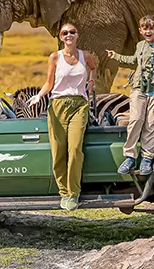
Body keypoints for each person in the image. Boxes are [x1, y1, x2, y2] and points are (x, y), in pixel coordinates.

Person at [27, 23, 98, 211]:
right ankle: (63, 192)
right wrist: (39, 96)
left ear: (77, 35)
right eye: (65, 33)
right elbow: (49, 83)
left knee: (75, 149)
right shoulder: (55, 57)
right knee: (59, 151)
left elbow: (93, 68)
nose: (69, 35)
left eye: (72, 32)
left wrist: (91, 82)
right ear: (60, 37)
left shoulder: (85, 55)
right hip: (57, 105)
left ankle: (73, 193)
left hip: (79, 105)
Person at [107, 14, 154, 176]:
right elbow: (133, 60)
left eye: (151, 28)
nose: (148, 31)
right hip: (139, 88)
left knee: (152, 123)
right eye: (145, 28)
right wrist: (116, 56)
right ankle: (130, 156)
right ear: (140, 30)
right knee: (136, 119)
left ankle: (147, 158)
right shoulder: (140, 45)